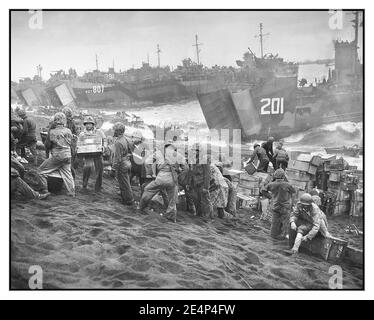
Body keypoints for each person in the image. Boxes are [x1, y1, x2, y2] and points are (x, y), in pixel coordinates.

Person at [139, 142, 184, 222]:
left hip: (160, 177)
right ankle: (170, 217)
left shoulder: (159, 153)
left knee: (148, 190)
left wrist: (150, 174)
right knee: (172, 200)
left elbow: (147, 162)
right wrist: (179, 173)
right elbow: (186, 168)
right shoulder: (178, 155)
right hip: (172, 179)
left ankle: (142, 207)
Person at [38, 112, 75, 196]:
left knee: (41, 171)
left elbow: (48, 145)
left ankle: (44, 191)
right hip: (68, 155)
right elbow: (71, 142)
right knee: (67, 174)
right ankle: (72, 193)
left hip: (58, 155)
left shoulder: (52, 131)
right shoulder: (68, 130)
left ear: (55, 121)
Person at [262, 169, 296, 240]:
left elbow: (263, 190)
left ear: (275, 176)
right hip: (285, 207)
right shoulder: (288, 185)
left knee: (274, 223)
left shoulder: (271, 184)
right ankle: (283, 237)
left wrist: (271, 197)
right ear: (283, 176)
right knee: (285, 224)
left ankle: (273, 237)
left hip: (275, 206)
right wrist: (292, 202)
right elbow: (294, 192)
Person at [79, 116, 106, 192]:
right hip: (88, 155)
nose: (88, 125)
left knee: (100, 169)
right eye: (87, 124)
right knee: (87, 168)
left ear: (93, 124)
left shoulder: (99, 132)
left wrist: (104, 147)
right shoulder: (82, 134)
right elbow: (79, 143)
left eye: (90, 124)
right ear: (85, 124)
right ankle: (84, 184)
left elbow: (104, 139)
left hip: (98, 154)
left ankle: (98, 187)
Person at [112, 122, 134, 206]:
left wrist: (113, 169)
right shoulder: (127, 139)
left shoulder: (118, 142)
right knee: (126, 182)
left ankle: (128, 201)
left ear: (118, 131)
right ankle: (127, 198)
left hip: (122, 164)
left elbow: (117, 158)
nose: (113, 131)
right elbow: (131, 151)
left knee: (124, 184)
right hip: (128, 162)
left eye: (114, 130)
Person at [188, 145, 212, 218]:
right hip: (195, 184)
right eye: (192, 150)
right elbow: (191, 172)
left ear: (199, 151)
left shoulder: (204, 160)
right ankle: (199, 215)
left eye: (194, 150)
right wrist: (189, 183)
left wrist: (206, 187)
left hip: (202, 184)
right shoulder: (193, 160)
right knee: (196, 200)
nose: (193, 152)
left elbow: (207, 174)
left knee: (205, 201)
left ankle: (208, 217)